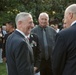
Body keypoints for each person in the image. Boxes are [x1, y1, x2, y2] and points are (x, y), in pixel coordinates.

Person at [52, 4, 76, 75]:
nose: (64, 21)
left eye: (65, 17)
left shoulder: (63, 35)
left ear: (70, 15)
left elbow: (57, 64)